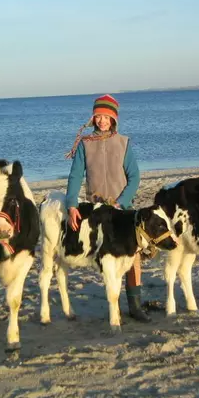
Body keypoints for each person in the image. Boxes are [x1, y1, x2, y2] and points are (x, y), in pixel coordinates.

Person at [65, 94, 151, 323]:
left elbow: (134, 177)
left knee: (133, 258)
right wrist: (71, 205)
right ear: (93, 118)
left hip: (123, 209)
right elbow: (75, 176)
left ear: (114, 118)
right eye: (98, 116)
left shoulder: (124, 142)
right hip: (97, 212)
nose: (102, 120)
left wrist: (122, 202)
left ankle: (135, 306)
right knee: (105, 259)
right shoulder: (84, 144)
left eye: (106, 116)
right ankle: (113, 305)